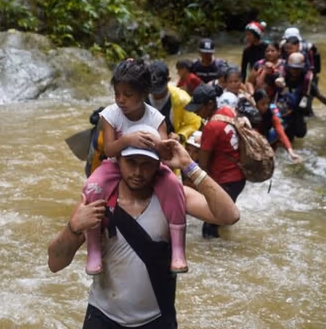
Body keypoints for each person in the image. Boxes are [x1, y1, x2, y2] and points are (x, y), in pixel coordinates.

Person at [47, 131, 240, 329]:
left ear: (159, 164)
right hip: (103, 317)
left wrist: (188, 166)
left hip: (156, 319)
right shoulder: (96, 199)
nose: (138, 172)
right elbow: (55, 263)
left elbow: (230, 215)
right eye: (131, 162)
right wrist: (73, 228)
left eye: (146, 163)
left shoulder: (175, 197)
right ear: (118, 160)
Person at [82, 59, 188, 275]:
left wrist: (162, 144)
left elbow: (164, 153)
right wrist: (128, 140)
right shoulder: (110, 115)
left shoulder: (156, 118)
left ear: (144, 93)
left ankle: (178, 250)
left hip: (151, 164)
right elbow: (110, 150)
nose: (121, 99)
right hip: (116, 163)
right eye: (117, 93)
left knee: (175, 186)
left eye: (128, 94)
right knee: (93, 186)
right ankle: (93, 250)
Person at [184, 85, 246, 238]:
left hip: (226, 180)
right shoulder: (226, 111)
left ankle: (224, 254)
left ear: (210, 104)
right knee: (223, 217)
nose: (196, 112)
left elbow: (203, 165)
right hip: (238, 177)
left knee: (209, 229)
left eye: (199, 108)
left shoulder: (211, 126)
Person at [281, 52, 326, 141]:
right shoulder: (279, 77)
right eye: (292, 68)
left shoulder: (307, 82)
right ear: (288, 67)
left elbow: (323, 98)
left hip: (296, 112)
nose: (295, 71)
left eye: (298, 69)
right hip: (280, 111)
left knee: (300, 133)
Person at [147, 61, 202, 144]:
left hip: (171, 143)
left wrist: (180, 135)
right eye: (152, 90)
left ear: (169, 80)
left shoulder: (182, 99)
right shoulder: (139, 95)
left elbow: (194, 123)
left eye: (159, 90)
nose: (156, 94)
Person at [253, 89, 301, 163]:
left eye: (267, 103)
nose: (266, 106)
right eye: (262, 104)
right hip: (254, 137)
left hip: (265, 135)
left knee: (282, 127)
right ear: (255, 103)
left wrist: (290, 152)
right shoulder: (249, 113)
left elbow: (280, 132)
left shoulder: (270, 113)